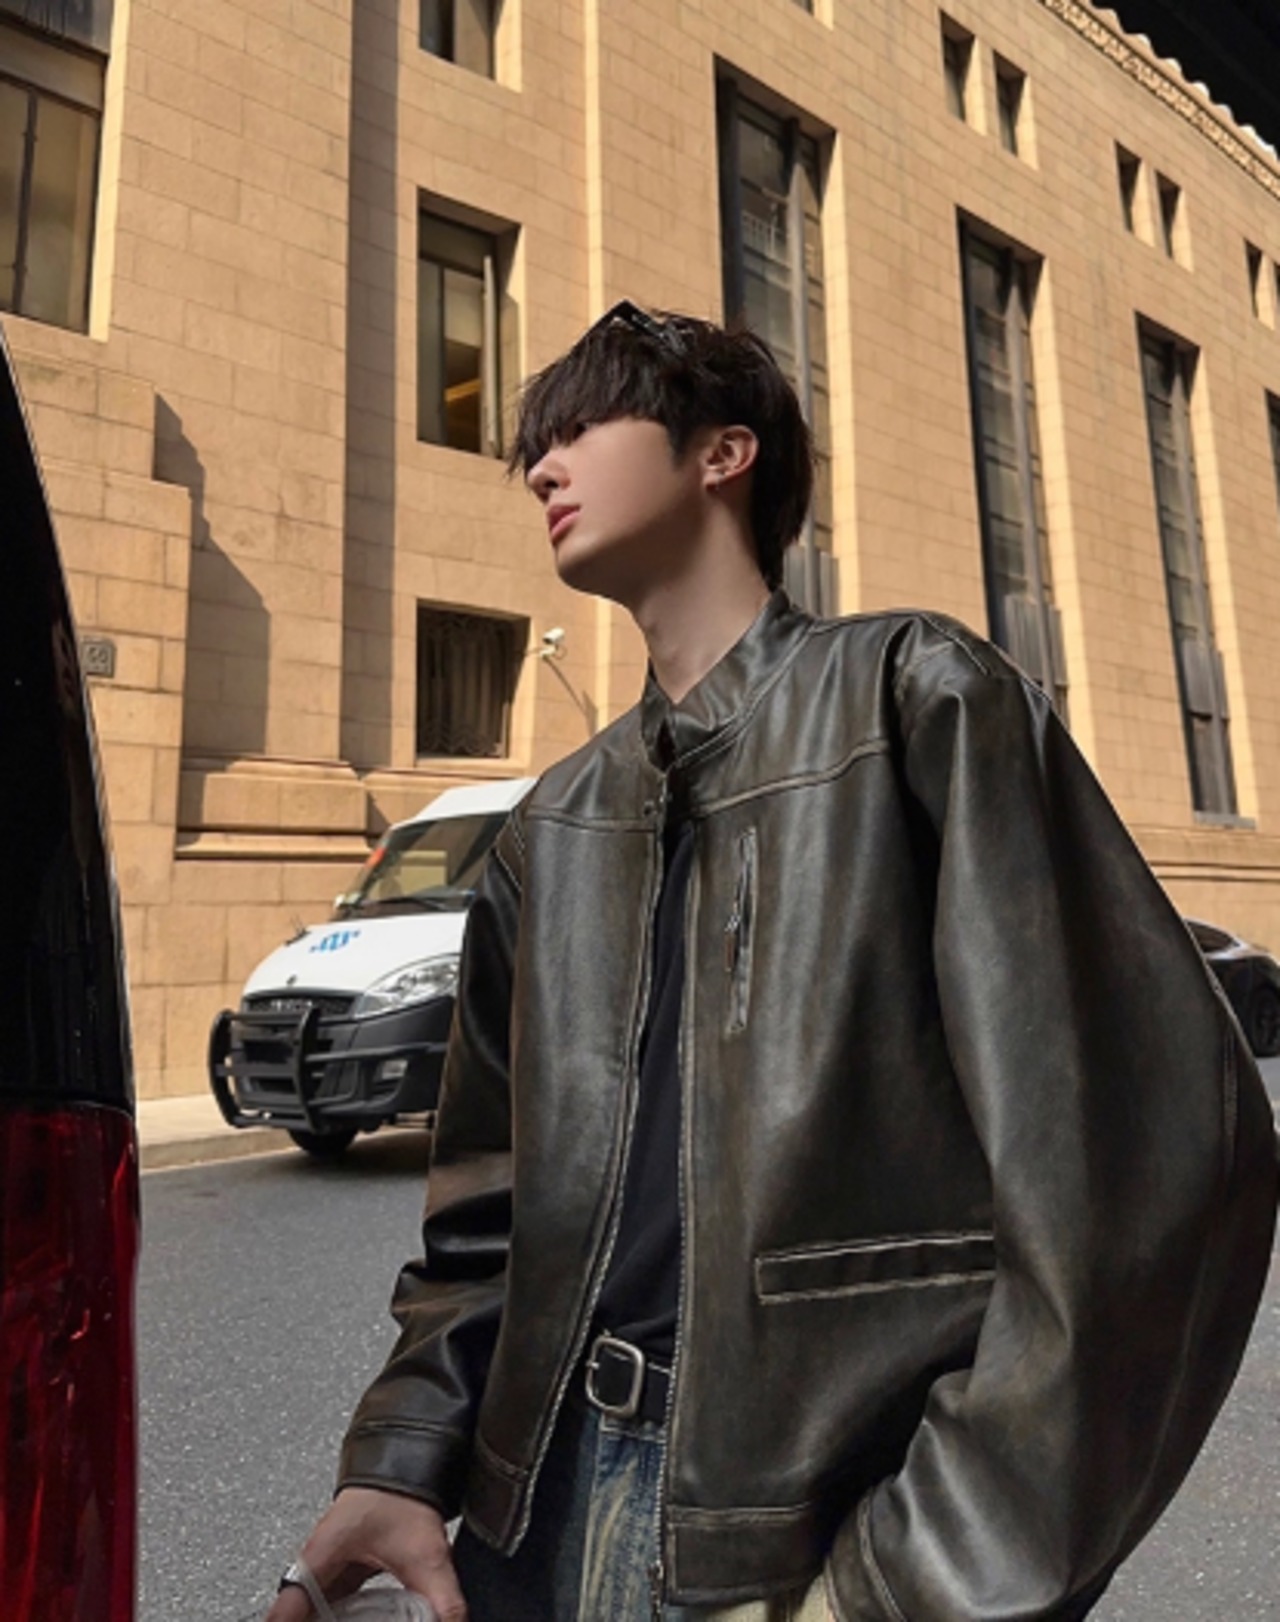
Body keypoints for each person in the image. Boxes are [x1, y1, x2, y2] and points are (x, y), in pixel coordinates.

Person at [267, 305, 1278, 1622]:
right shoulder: (551, 828)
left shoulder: (914, 699)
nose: (541, 467)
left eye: (579, 426)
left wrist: (913, 1578)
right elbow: (483, 1220)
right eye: (534, 446)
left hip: (800, 1543)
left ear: (723, 452)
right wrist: (401, 1459)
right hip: (533, 1517)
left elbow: (1145, 1173)